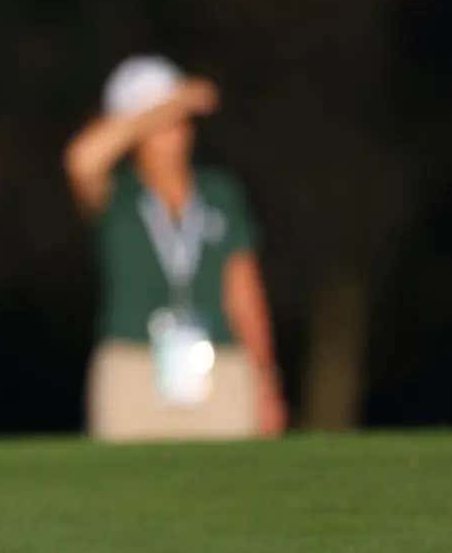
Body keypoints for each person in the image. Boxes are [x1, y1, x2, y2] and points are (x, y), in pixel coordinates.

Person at [62, 56, 288, 442]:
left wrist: (266, 379)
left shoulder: (219, 193)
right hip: (132, 365)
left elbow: (244, 292)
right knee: (128, 492)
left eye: (177, 115)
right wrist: (165, 105)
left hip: (219, 363)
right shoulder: (117, 194)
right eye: (159, 117)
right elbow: (81, 160)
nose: (172, 126)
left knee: (228, 491)